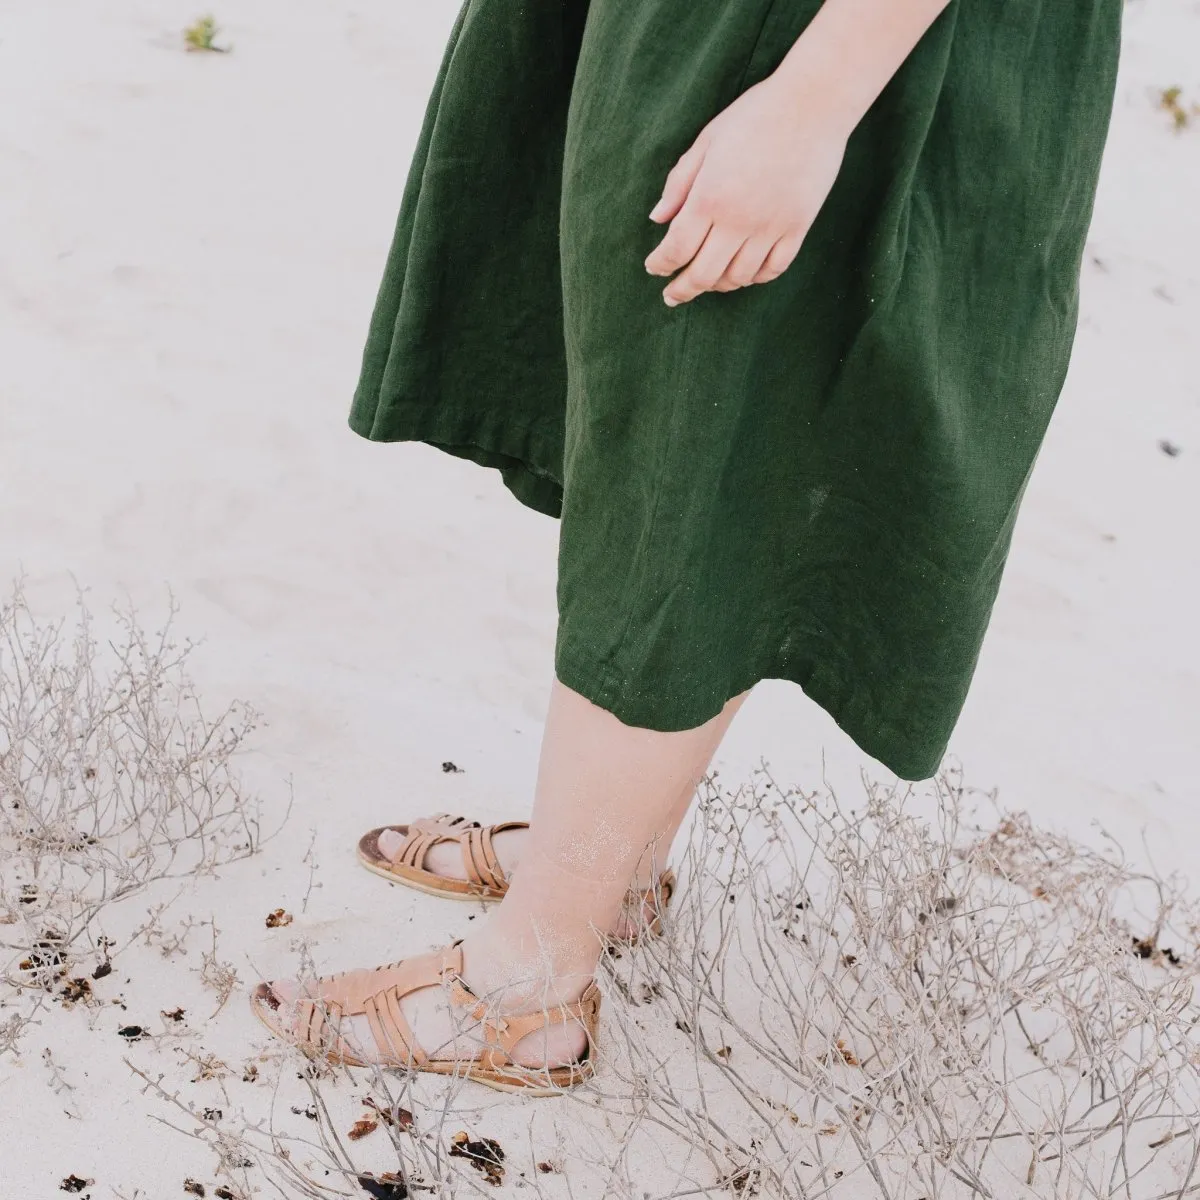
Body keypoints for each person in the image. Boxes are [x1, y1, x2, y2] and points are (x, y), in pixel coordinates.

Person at [252, 0, 1122, 1092]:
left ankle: (525, 985)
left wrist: (812, 99)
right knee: (699, 435)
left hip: (837, 41)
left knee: (706, 448)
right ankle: (603, 873)